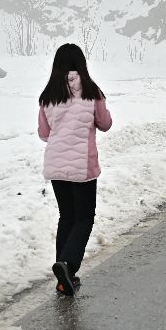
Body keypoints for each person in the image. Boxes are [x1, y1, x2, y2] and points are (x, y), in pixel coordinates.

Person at [37, 43, 113, 296]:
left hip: (56, 164)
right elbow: (105, 123)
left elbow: (44, 134)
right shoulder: (91, 91)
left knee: (67, 216)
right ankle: (68, 265)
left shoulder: (48, 94)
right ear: (81, 64)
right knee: (84, 217)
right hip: (82, 166)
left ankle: (64, 275)